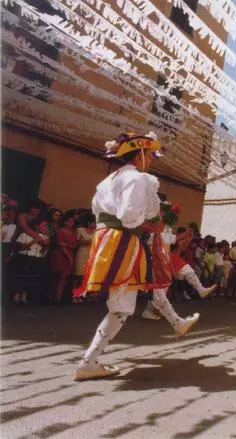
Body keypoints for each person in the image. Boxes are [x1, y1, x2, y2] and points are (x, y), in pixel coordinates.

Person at [73, 131, 173, 381]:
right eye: (149, 154)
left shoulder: (107, 181)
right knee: (122, 306)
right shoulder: (139, 179)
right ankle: (89, 362)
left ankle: (90, 360)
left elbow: (99, 212)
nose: (150, 159)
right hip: (122, 241)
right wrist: (152, 226)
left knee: (121, 305)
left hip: (107, 238)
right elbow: (129, 218)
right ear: (139, 154)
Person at [141, 202, 216, 323]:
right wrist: (186, 235)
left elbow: (172, 239)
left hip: (165, 256)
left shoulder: (166, 227)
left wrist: (187, 235)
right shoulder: (153, 224)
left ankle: (200, 290)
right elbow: (163, 239)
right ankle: (155, 313)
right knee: (160, 289)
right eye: (165, 210)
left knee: (185, 271)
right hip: (155, 258)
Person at [12, 218, 50, 305]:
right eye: (43, 225)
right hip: (25, 257)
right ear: (36, 226)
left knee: (31, 278)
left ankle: (25, 297)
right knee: (21, 278)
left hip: (36, 258)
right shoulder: (25, 235)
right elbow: (21, 247)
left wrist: (45, 242)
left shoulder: (44, 237)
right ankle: (16, 297)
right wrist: (33, 241)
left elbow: (44, 251)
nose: (45, 227)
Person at [49, 211, 78, 303]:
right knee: (56, 276)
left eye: (72, 222)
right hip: (60, 255)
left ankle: (59, 297)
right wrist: (69, 257)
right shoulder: (60, 231)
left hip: (70, 253)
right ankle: (54, 297)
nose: (71, 223)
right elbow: (61, 244)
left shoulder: (73, 232)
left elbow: (74, 245)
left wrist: (68, 247)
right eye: (69, 221)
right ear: (64, 221)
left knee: (64, 277)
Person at [73, 214, 97, 294]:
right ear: (88, 222)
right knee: (78, 274)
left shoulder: (97, 231)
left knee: (89, 274)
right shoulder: (80, 230)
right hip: (81, 252)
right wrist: (85, 242)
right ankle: (75, 293)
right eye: (93, 222)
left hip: (92, 254)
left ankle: (86, 293)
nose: (95, 224)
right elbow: (74, 242)